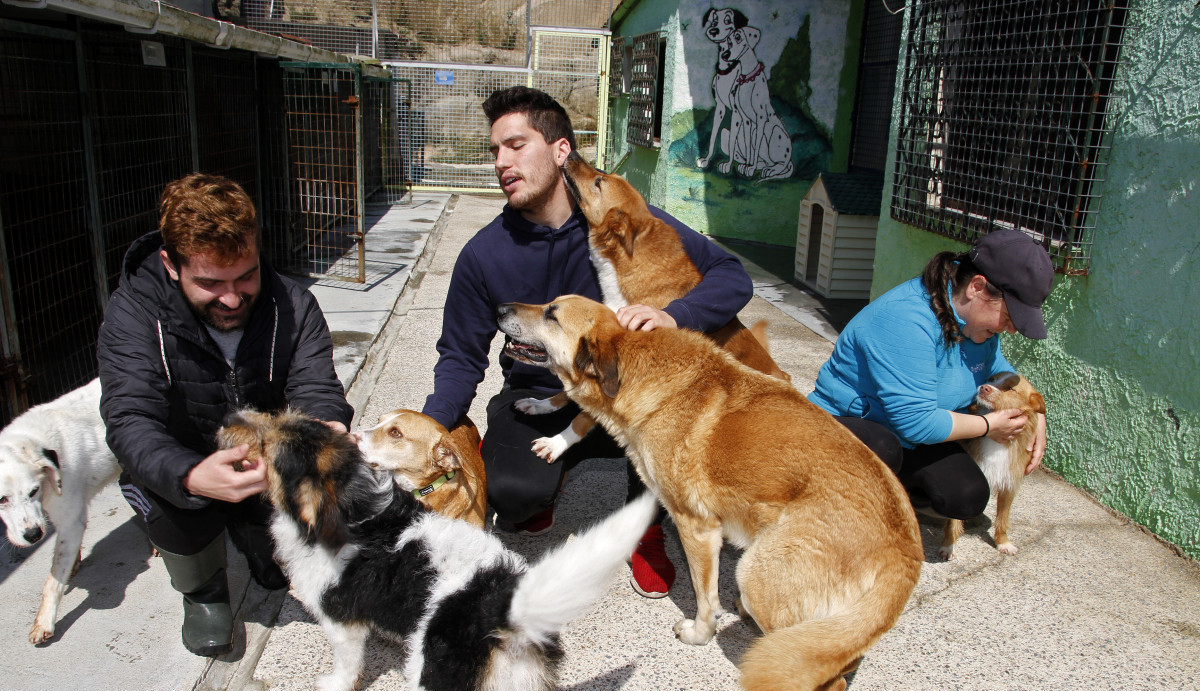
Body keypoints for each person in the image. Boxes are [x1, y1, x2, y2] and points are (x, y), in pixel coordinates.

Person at [421, 86, 753, 598]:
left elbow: (732, 277)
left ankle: (643, 528)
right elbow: (460, 356)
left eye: (515, 145)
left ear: (560, 152)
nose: (501, 162)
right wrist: (430, 428)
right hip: (541, 394)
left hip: (624, 394)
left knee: (669, 423)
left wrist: (673, 313)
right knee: (513, 497)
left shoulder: (616, 223)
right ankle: (546, 485)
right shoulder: (483, 253)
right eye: (494, 151)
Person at [98, 174, 353, 657]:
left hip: (264, 462)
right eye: (211, 283)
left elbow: (316, 385)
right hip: (186, 454)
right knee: (166, 496)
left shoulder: (293, 305)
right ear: (171, 265)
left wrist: (324, 427)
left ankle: (260, 540)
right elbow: (129, 417)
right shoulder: (133, 315)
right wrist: (191, 474)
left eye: (246, 276)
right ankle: (204, 593)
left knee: (305, 506)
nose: (233, 299)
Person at [808, 228, 1053, 520]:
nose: (1011, 329)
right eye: (1010, 317)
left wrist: (1038, 414)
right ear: (977, 287)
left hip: (911, 437)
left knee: (967, 497)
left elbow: (1000, 369)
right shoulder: (906, 319)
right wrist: (989, 426)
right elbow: (916, 423)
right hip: (850, 425)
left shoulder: (979, 326)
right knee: (882, 448)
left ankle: (890, 491)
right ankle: (833, 500)